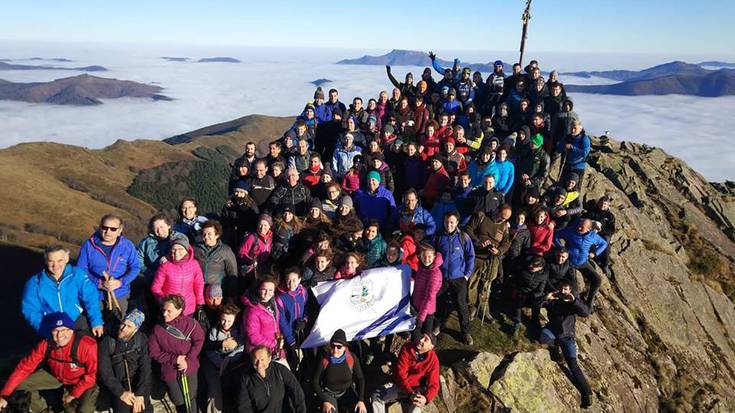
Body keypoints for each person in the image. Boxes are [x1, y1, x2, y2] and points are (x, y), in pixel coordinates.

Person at [0, 313, 98, 413]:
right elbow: (24, 368)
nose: (60, 335)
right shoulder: (46, 344)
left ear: (71, 330)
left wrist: (72, 395)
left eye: (64, 330)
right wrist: (4, 395)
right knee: (21, 383)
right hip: (56, 376)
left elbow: (91, 376)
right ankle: (42, 409)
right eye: (55, 331)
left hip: (81, 381)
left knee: (84, 410)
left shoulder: (87, 346)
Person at [22, 245, 104, 337]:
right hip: (52, 325)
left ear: (67, 259)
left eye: (60, 260)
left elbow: (90, 297)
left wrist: (96, 322)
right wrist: (45, 331)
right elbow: (31, 310)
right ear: (46, 261)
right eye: (51, 261)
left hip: (76, 320)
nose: (55, 265)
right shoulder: (35, 283)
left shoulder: (77, 274)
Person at [540, 280, 593, 409]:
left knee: (573, 365)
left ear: (569, 290)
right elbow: (536, 304)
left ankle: (587, 393)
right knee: (543, 339)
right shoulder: (553, 300)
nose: (563, 291)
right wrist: (545, 298)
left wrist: (574, 301)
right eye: (561, 288)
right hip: (552, 331)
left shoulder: (573, 303)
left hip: (567, 336)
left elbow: (586, 312)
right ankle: (555, 349)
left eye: (566, 289)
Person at [148, 294, 204, 413]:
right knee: (178, 400)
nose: (164, 314)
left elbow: (199, 341)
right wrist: (176, 359)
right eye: (163, 310)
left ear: (179, 310)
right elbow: (154, 352)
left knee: (191, 398)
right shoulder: (157, 329)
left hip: (190, 367)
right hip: (170, 370)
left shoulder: (191, 324)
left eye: (169, 311)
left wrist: (188, 360)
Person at [77, 213, 140, 318]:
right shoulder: (89, 245)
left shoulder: (127, 245)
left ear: (120, 230)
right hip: (94, 293)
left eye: (113, 229)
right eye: (105, 227)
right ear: (100, 227)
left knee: (118, 322)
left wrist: (121, 282)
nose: (108, 232)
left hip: (119, 293)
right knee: (95, 323)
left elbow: (135, 267)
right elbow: (80, 270)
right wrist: (99, 283)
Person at [434, 211, 475, 345]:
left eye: (452, 222)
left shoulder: (464, 237)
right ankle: (439, 325)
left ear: (457, 222)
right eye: (446, 222)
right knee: (440, 302)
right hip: (442, 277)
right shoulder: (438, 237)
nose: (449, 225)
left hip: (459, 277)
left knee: (461, 305)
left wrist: (467, 275)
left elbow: (470, 256)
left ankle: (466, 331)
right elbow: (432, 254)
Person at [98, 309, 151, 413]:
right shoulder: (108, 342)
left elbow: (145, 368)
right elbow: (105, 372)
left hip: (138, 383)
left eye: (129, 326)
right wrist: (121, 393)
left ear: (136, 329)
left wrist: (140, 394)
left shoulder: (141, 340)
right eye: (123, 324)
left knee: (143, 409)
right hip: (118, 386)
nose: (123, 328)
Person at [370, 333, 440, 413]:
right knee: (377, 395)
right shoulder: (407, 347)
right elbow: (401, 373)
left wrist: (426, 398)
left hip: (416, 390)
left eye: (426, 339)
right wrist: (410, 393)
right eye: (421, 336)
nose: (421, 340)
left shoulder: (433, 360)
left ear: (431, 347)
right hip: (399, 385)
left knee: (417, 407)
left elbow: (434, 384)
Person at [466, 204, 511, 320]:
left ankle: (483, 308)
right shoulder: (482, 216)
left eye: (506, 218)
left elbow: (506, 243)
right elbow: (468, 229)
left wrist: (499, 251)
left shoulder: (505, 226)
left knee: (486, 285)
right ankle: (471, 307)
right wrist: (477, 241)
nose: (503, 219)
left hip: (492, 259)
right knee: (472, 283)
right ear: (497, 210)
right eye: (502, 216)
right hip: (477, 256)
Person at [553, 219, 608, 310]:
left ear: (589, 229)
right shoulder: (571, 231)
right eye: (579, 225)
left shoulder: (593, 236)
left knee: (597, 280)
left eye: (582, 227)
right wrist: (562, 248)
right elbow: (556, 235)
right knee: (574, 287)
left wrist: (595, 253)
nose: (579, 227)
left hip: (583, 262)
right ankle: (576, 306)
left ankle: (589, 303)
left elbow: (604, 244)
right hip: (570, 262)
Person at [238, 345, 307, 413]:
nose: (259, 364)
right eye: (256, 360)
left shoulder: (280, 370)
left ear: (269, 359)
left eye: (262, 360)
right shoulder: (247, 378)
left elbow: (296, 390)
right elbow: (244, 406)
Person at [151, 234, 205, 317]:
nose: (176, 252)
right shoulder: (165, 266)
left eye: (180, 249)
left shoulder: (194, 264)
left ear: (187, 250)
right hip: (169, 310)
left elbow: (199, 285)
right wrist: (164, 302)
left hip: (189, 308)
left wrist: (200, 304)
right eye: (174, 249)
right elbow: (156, 287)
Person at [313, 329, 367, 413]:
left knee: (360, 410)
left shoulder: (351, 358)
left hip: (346, 392)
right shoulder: (324, 359)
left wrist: (361, 400)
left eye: (339, 347)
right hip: (329, 393)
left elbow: (360, 378)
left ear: (345, 347)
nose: (335, 350)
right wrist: (324, 400)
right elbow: (315, 381)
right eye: (333, 346)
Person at [203, 304, 244, 413]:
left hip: (233, 361)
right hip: (215, 363)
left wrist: (228, 360)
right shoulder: (214, 331)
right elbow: (210, 351)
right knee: (214, 386)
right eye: (223, 320)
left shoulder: (238, 330)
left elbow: (241, 348)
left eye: (229, 321)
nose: (225, 324)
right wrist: (221, 364)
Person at [241, 276, 285, 360]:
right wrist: (274, 343)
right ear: (258, 289)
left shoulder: (272, 303)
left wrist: (278, 342)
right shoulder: (252, 310)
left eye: (271, 290)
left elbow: (275, 324)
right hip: (259, 353)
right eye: (264, 289)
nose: (267, 293)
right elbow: (253, 337)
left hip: (274, 349)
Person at [194, 219, 239, 299]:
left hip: (217, 290)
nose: (206, 237)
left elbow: (232, 272)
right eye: (204, 234)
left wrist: (230, 294)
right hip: (199, 289)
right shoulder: (196, 248)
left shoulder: (225, 250)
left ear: (217, 235)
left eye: (209, 234)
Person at [275, 268, 309, 370]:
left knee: (304, 359)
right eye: (288, 280)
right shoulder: (280, 297)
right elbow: (281, 321)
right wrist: (290, 339)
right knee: (292, 360)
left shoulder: (303, 291)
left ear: (299, 279)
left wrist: (305, 320)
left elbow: (307, 308)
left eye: (294, 280)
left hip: (301, 331)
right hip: (288, 335)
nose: (291, 283)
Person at [137, 213, 183, 284]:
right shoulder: (146, 243)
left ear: (169, 226)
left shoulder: (177, 238)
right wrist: (149, 273)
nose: (159, 231)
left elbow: (184, 247)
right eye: (156, 228)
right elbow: (138, 260)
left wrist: (169, 256)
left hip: (174, 281)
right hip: (153, 281)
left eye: (162, 227)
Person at [411, 244, 443, 342]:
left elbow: (429, 298)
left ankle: (427, 356)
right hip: (416, 307)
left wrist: (420, 319)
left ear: (434, 257)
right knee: (415, 339)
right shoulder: (422, 268)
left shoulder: (434, 274)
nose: (426, 259)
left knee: (426, 338)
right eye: (424, 256)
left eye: (429, 257)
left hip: (426, 312)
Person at [510, 255, 548, 335]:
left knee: (538, 301)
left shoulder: (543, 276)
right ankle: (517, 322)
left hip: (532, 296)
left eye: (534, 266)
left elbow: (540, 291)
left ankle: (535, 321)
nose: (531, 266)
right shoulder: (523, 269)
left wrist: (530, 296)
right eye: (531, 264)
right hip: (521, 292)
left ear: (540, 268)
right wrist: (515, 288)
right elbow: (515, 279)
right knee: (518, 301)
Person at [582, 195, 616, 277]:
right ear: (598, 203)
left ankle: (605, 264)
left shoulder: (610, 216)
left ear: (608, 206)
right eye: (601, 203)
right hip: (590, 232)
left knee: (606, 241)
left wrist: (602, 231)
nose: (602, 205)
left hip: (602, 235)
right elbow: (583, 219)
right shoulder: (592, 211)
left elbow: (612, 230)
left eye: (605, 204)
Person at [238, 214, 274, 281]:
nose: (262, 227)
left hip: (264, 268)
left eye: (265, 225)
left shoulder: (270, 237)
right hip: (252, 269)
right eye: (260, 225)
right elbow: (241, 252)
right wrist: (251, 260)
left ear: (269, 226)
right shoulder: (252, 237)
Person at [556, 119, 590, 188]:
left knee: (575, 188)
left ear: (581, 128)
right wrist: (563, 147)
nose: (573, 130)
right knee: (562, 186)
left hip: (579, 167)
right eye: (571, 128)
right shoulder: (567, 137)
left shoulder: (584, 139)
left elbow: (585, 153)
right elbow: (558, 148)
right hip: (567, 165)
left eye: (575, 128)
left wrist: (572, 147)